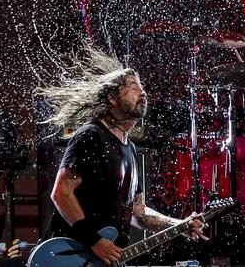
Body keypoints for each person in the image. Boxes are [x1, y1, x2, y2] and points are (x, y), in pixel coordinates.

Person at [38, 47, 205, 266]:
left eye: (142, 87)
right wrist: (95, 241)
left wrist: (180, 224)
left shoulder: (130, 149)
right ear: (112, 98)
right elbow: (61, 193)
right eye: (133, 87)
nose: (142, 92)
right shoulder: (91, 135)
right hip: (71, 257)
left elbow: (139, 213)